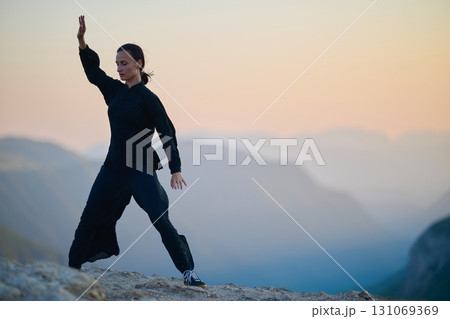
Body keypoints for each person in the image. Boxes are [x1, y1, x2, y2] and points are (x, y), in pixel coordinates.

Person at [68, 15, 205, 288]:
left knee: (160, 220)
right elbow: (94, 73)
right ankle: (71, 269)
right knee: (89, 217)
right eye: (117, 64)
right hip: (113, 168)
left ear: (139, 64)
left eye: (124, 63)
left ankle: (189, 272)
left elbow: (167, 132)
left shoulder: (149, 100)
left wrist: (175, 168)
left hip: (140, 168)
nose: (119, 68)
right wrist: (82, 42)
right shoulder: (114, 92)